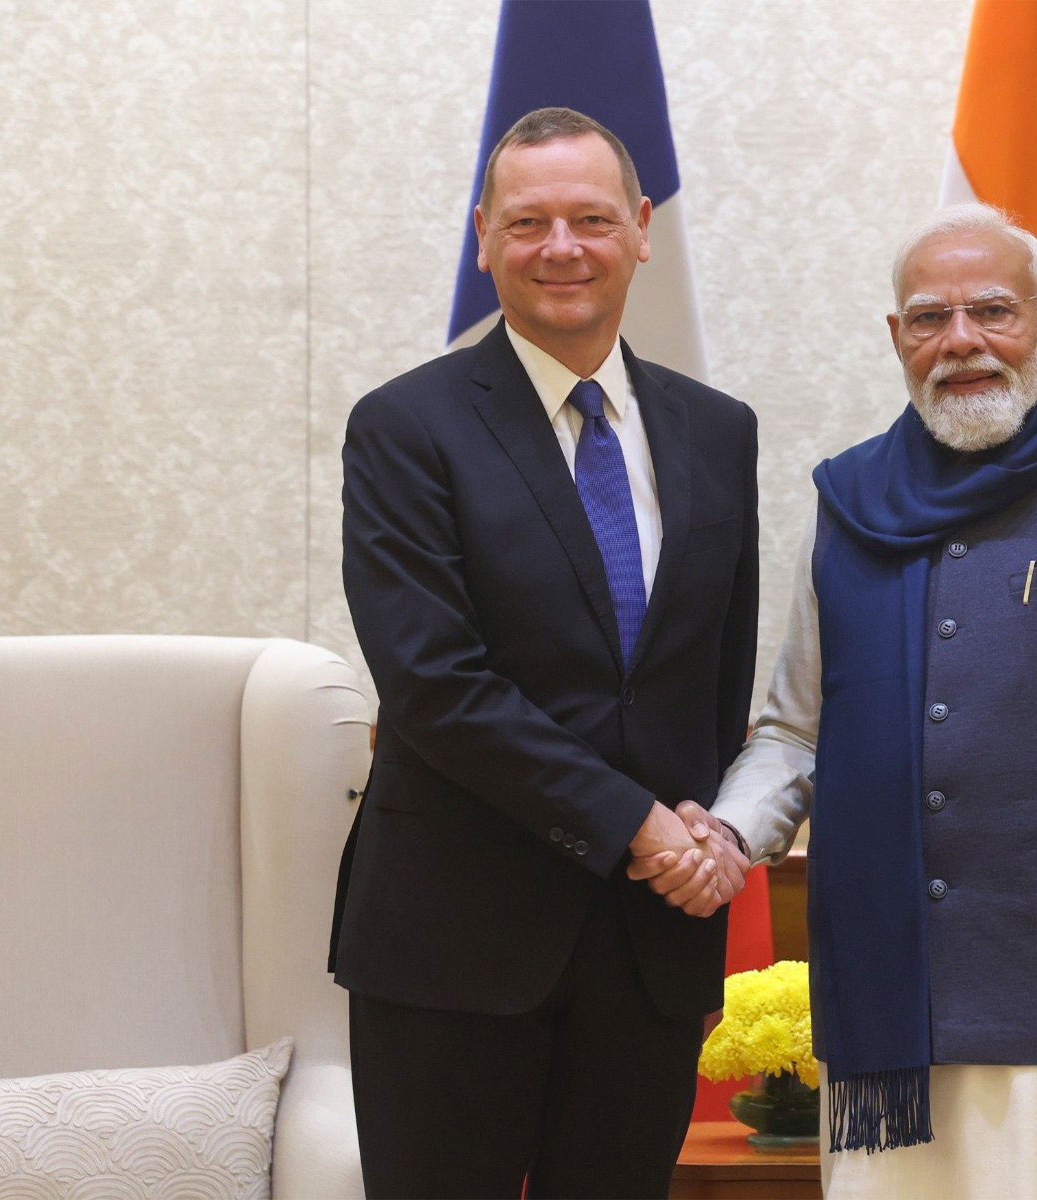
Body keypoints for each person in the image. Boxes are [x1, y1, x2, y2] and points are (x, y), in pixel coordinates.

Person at [633, 203, 1037, 1199]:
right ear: (895, 337)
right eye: (929, 318)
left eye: (992, 310)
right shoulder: (848, 501)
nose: (961, 341)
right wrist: (729, 834)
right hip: (894, 1012)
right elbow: (796, 731)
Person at [329, 106, 755, 1199]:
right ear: (483, 237)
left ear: (641, 228)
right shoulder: (405, 427)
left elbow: (714, 675)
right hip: (454, 940)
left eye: (590, 219)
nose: (561, 247)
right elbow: (434, 683)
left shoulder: (719, 431)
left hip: (649, 946)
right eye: (527, 222)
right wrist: (639, 825)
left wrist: (707, 827)